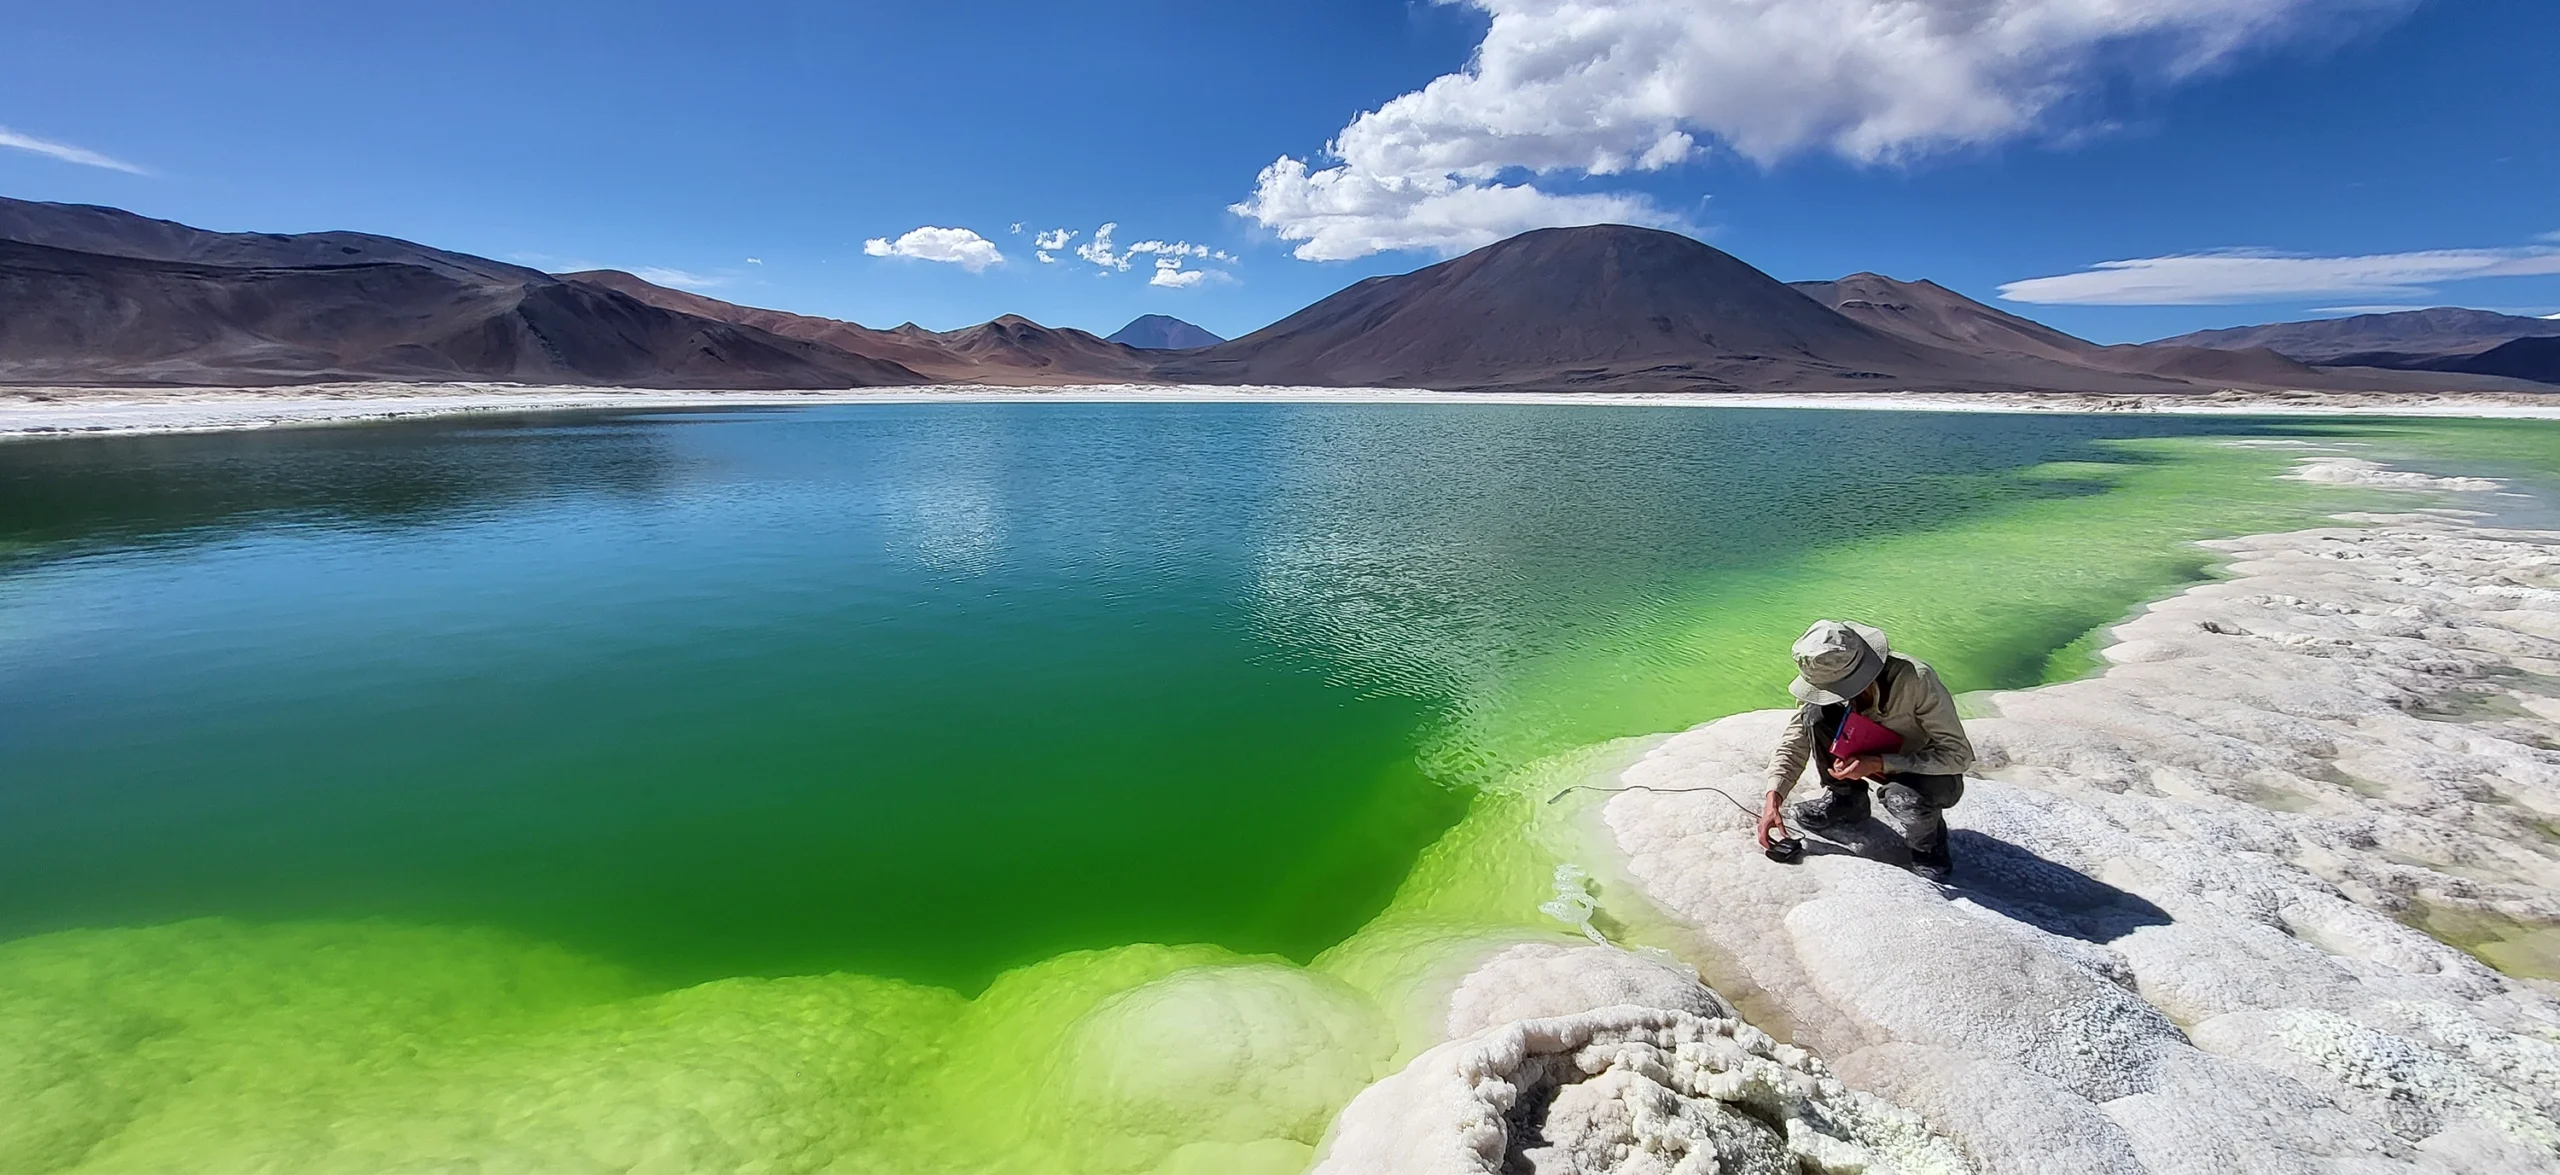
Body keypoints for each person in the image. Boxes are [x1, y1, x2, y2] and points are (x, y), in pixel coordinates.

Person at [1753, 620, 1974, 881]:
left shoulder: (1916, 680)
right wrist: (1774, 795)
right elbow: (1797, 737)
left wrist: (1881, 763)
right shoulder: (1823, 672)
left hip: (1919, 767)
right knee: (1815, 716)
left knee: (1901, 798)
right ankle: (1846, 801)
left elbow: (1958, 755)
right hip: (1865, 751)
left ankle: (1928, 845)